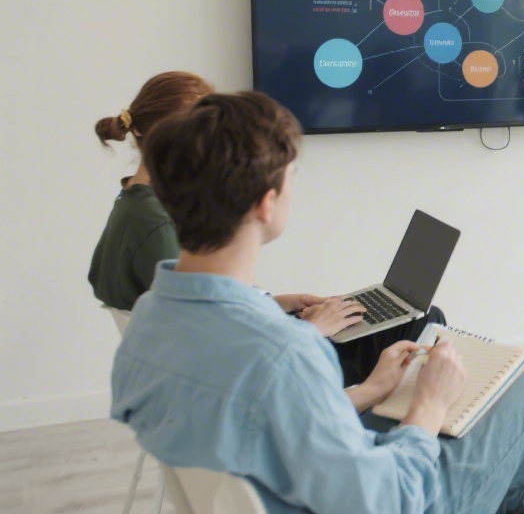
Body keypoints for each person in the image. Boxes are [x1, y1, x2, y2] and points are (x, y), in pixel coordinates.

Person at [111, 91, 524, 514]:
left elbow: (269, 432)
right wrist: (428, 409)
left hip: (295, 492)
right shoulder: (283, 356)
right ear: (266, 201)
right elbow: (392, 500)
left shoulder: (151, 321)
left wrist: (370, 391)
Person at [88, 71, 440, 386]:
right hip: (276, 374)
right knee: (423, 321)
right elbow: (225, 351)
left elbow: (213, 308)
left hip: (240, 363)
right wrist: (312, 330)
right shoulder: (159, 223)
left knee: (403, 318)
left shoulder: (133, 202)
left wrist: (280, 304)